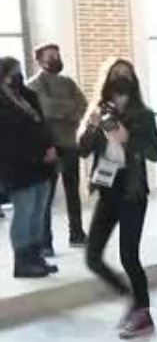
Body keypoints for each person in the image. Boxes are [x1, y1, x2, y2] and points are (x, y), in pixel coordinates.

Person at [78, 58, 157, 339]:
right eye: (116, 75)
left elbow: (155, 152)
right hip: (107, 190)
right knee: (92, 257)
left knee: (129, 256)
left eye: (126, 74)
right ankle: (131, 299)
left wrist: (127, 139)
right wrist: (91, 127)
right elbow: (82, 149)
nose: (121, 79)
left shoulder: (144, 114)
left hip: (132, 192)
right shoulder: (99, 110)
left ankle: (143, 314)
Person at [0, 56, 58, 278]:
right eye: (13, 71)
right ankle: (22, 261)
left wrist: (50, 147)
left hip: (41, 165)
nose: (18, 75)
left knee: (38, 211)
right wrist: (36, 154)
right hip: (18, 166)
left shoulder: (24, 97)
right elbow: (8, 139)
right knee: (23, 212)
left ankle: (36, 256)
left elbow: (41, 123)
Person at [28, 43, 89, 252]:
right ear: (39, 60)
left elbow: (82, 105)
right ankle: (45, 242)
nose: (56, 58)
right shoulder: (33, 85)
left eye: (57, 54)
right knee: (46, 197)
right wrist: (67, 109)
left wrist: (61, 111)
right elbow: (45, 108)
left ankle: (77, 233)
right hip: (49, 147)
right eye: (50, 55)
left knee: (73, 193)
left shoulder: (68, 82)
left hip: (70, 143)